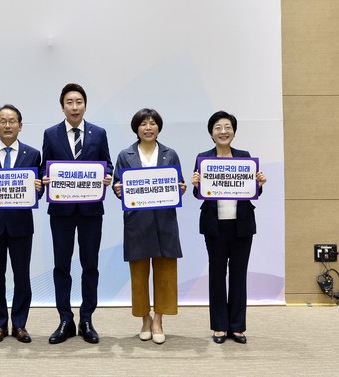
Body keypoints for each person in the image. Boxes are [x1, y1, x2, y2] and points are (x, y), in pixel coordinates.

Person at [41, 83, 113, 344]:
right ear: (62, 106)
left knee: (89, 265)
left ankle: (86, 319)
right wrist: (45, 177)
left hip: (91, 211)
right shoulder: (51, 134)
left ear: (85, 105)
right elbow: (44, 167)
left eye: (79, 102)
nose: (74, 107)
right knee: (61, 265)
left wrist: (107, 176)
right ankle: (65, 319)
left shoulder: (98, 133)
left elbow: (108, 164)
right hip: (61, 211)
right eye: (69, 102)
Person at [191, 110, 267, 345]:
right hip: (214, 226)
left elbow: (252, 191)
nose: (223, 131)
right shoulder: (203, 158)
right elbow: (198, 194)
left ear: (233, 132)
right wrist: (196, 185)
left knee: (238, 274)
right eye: (218, 128)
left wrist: (259, 184)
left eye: (227, 127)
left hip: (241, 225)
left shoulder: (244, 157)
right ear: (211, 133)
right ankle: (220, 326)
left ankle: (237, 326)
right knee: (216, 275)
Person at [112, 108, 186, 344]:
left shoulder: (170, 154)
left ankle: (159, 320)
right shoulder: (125, 155)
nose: (148, 128)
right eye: (143, 124)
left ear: (158, 127)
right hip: (138, 223)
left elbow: (179, 183)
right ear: (136, 128)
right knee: (139, 274)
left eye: (152, 123)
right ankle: (145, 318)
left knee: (165, 273)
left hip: (164, 222)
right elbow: (117, 185)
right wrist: (118, 189)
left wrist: (181, 188)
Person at [0, 104, 43, 344]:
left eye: (12, 121)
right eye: (3, 121)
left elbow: (37, 189)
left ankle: (20, 324)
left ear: (20, 126)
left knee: (22, 277)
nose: (7, 125)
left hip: (21, 225)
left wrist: (38, 188)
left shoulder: (32, 154)